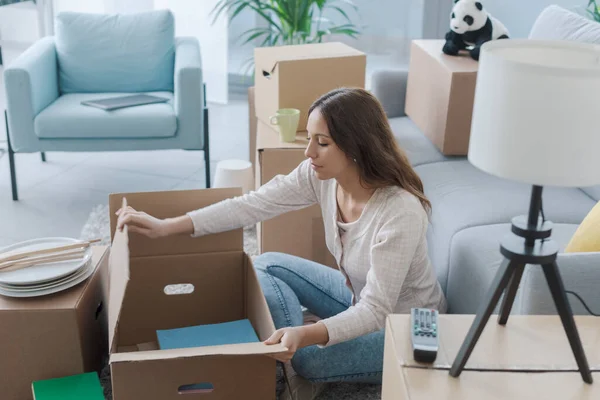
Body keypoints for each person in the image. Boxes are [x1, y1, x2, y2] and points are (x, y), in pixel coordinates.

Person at [116, 87, 447, 400]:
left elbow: (376, 310)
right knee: (267, 263)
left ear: (356, 146)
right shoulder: (322, 178)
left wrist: (307, 335)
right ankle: (293, 342)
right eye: (310, 139)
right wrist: (168, 226)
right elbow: (253, 205)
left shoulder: (399, 211)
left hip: (407, 328)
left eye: (322, 143)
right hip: (355, 299)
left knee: (307, 358)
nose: (309, 152)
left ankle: (297, 355)